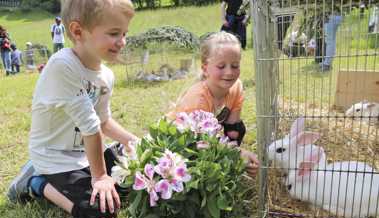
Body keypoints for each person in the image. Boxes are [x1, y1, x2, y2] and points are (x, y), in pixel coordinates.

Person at [7, 0, 137, 217]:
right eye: (114, 33)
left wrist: (134, 142)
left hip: (85, 155)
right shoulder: (63, 65)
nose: (122, 41)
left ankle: (91, 175)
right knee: (103, 210)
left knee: (133, 178)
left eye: (125, 33)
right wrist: (101, 177)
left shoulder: (106, 76)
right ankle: (35, 182)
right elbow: (91, 126)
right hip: (55, 159)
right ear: (78, 31)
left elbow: (104, 121)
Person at [168, 31, 259, 177]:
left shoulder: (236, 87)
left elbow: (233, 128)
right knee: (199, 156)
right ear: (205, 69)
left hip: (205, 137)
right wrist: (238, 153)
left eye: (235, 66)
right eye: (221, 66)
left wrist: (238, 158)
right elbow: (203, 141)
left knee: (237, 130)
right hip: (180, 141)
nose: (229, 72)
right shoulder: (198, 98)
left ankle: (228, 169)